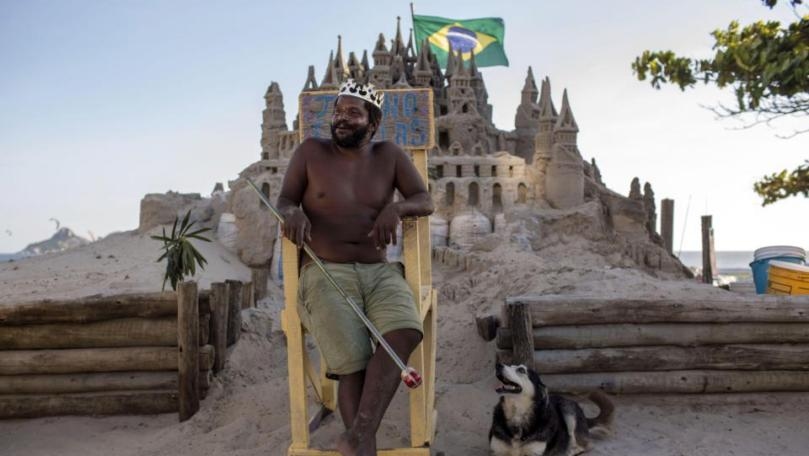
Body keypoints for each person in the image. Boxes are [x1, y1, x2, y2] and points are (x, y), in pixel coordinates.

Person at [276, 78, 434, 456]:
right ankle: (362, 444)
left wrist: (396, 208)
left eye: (352, 112)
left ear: (372, 122)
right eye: (338, 111)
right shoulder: (310, 152)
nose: (341, 118)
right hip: (325, 272)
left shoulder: (389, 155)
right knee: (353, 362)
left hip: (378, 271)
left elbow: (424, 200)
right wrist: (291, 212)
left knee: (406, 331)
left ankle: (358, 436)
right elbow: (284, 201)